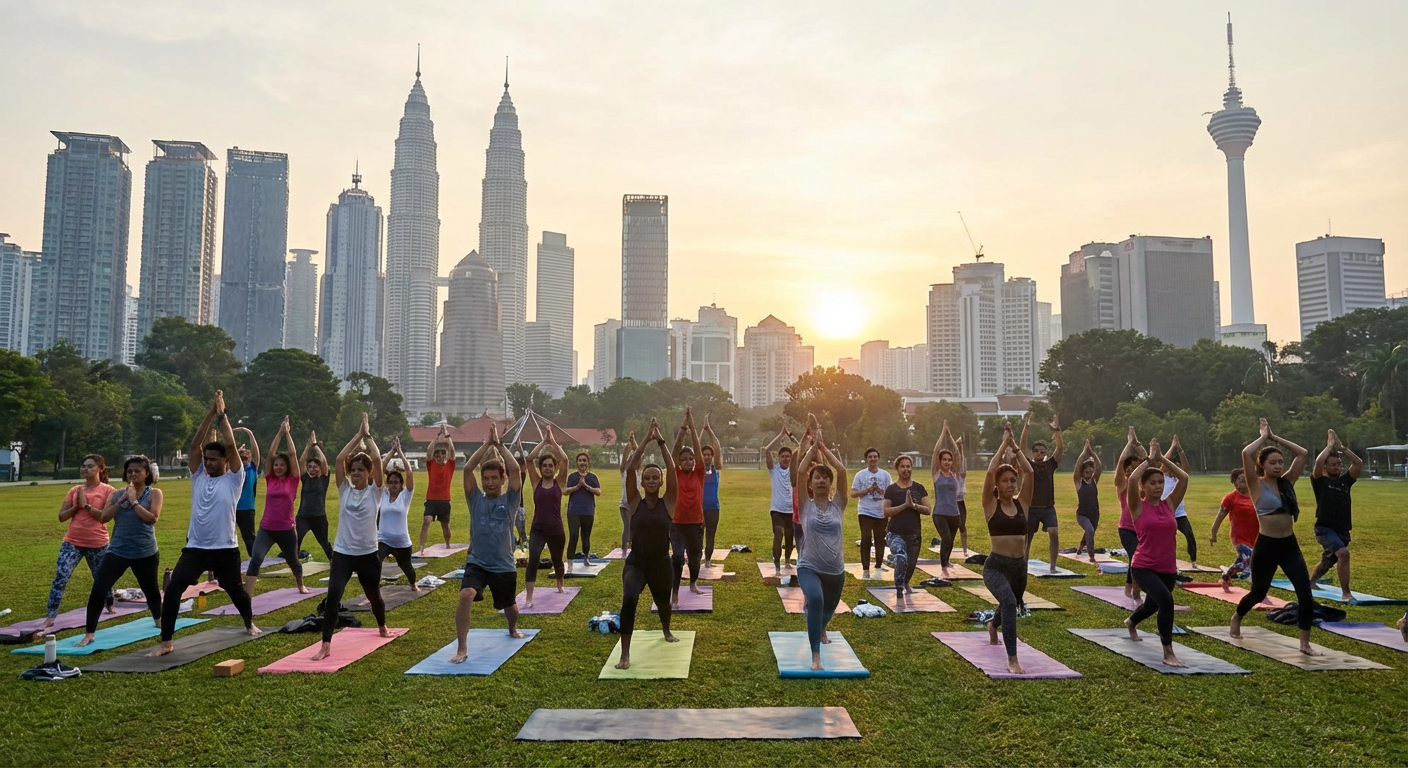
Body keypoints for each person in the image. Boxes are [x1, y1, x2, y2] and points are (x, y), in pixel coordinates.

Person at [149, 391, 258, 657]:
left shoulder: (234, 478)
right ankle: (167, 641)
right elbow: (193, 448)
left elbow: (232, 447)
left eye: (213, 460)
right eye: (206, 459)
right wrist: (210, 413)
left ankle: (249, 622)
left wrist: (223, 417)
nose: (207, 463)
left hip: (224, 548)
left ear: (224, 462)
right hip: (196, 547)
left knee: (236, 591)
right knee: (174, 589)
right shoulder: (199, 476)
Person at [1230, 418, 1320, 656]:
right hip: (1266, 546)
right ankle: (1237, 617)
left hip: (1289, 545)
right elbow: (1246, 453)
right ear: (1262, 465)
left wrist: (1275, 437)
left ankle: (1304, 643)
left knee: (1305, 594)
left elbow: (1302, 454)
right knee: (1259, 592)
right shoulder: (1255, 485)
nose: (1279, 466)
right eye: (1273, 462)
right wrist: (1263, 437)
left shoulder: (1287, 483)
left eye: (1281, 462)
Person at [311, 413, 389, 662]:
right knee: (333, 596)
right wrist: (357, 436)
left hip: (367, 555)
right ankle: (325, 644)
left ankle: (382, 626)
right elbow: (339, 458)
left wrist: (368, 436)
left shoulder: (375, 491)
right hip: (343, 554)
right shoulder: (344, 489)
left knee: (374, 595)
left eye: (359, 470)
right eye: (353, 470)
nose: (355, 473)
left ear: (368, 473)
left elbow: (376, 458)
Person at [450, 426, 525, 664]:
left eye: (494, 478)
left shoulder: (510, 499)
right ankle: (462, 647)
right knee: (466, 594)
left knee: (510, 607)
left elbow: (515, 470)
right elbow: (468, 469)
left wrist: (500, 445)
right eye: (486, 479)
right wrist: (486, 445)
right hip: (477, 562)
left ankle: (512, 628)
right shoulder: (475, 499)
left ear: (502, 479)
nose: (490, 483)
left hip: (503, 566)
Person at [74, 456, 164, 646]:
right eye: (129, 471)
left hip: (145, 552)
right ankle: (89, 633)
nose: (132, 474)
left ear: (146, 473)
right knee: (98, 589)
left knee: (151, 590)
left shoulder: (154, 493)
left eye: (137, 471)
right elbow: (104, 518)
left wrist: (134, 502)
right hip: (118, 551)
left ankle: (159, 620)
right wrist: (120, 501)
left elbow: (151, 518)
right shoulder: (116, 494)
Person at [615, 418, 680, 670]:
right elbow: (631, 469)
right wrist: (645, 439)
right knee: (629, 599)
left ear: (660, 482)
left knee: (664, 603)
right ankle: (625, 654)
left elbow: (672, 471)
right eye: (648, 478)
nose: (651, 481)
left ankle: (666, 630)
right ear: (642, 483)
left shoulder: (669, 502)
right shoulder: (634, 502)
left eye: (655, 478)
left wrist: (661, 441)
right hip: (637, 562)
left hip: (662, 563)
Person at [1124, 437, 1191, 667]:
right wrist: (1148, 460)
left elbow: (1184, 478)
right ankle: (1168, 653)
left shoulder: (1169, 504)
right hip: (1143, 565)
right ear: (1144, 487)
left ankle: (1131, 622)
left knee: (1152, 605)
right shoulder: (1138, 506)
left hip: (1167, 567)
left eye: (1160, 482)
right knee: (1166, 601)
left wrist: (1162, 458)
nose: (1158, 486)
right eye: (1152, 483)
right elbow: (1132, 480)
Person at [794, 414, 849, 671]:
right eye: (817, 477)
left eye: (825, 477)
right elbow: (801, 469)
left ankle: (822, 626)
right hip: (809, 566)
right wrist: (812, 449)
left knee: (828, 612)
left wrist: (824, 448)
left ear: (830, 484)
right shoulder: (805, 505)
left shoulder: (839, 504)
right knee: (815, 600)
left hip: (836, 571)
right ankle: (816, 655)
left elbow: (842, 470)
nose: (821, 479)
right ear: (811, 483)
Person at [41, 454, 117, 635]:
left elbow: (105, 516)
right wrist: (77, 505)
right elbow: (61, 517)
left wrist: (86, 505)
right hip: (72, 542)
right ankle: (51, 615)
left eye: (90, 466)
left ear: (100, 469)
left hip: (98, 543)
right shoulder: (75, 490)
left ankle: (110, 602)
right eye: (83, 466)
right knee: (61, 575)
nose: (85, 469)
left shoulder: (109, 491)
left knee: (101, 579)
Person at [982, 423, 1035, 675]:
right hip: (995, 566)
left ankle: (993, 625)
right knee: (1008, 600)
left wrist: (1015, 446)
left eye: (1013, 480)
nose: (1011, 484)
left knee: (1010, 604)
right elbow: (992, 469)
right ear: (997, 484)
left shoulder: (1023, 503)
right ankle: (1012, 658)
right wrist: (1003, 444)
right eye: (1005, 481)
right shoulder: (990, 505)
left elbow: (1030, 472)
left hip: (1019, 567)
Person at [243, 417, 308, 597]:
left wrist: (288, 434)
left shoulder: (293, 480)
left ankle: (300, 585)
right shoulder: (270, 478)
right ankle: (246, 595)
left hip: (286, 529)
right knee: (256, 558)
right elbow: (271, 454)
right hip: (267, 528)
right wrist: (279, 433)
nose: (278, 467)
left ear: (287, 467)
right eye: (276, 465)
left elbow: (293, 455)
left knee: (293, 560)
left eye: (281, 465)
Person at [1308, 429, 1362, 601]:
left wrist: (1341, 447)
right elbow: (1317, 464)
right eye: (1333, 464)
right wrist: (1329, 446)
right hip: (1324, 528)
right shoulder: (1320, 482)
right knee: (1343, 554)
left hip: (1342, 530)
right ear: (1325, 467)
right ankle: (1346, 593)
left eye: (1339, 464)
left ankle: (1311, 582)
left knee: (1328, 560)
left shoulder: (1345, 481)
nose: (1338, 467)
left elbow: (1358, 463)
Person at [523, 417, 569, 608]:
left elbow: (565, 459)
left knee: (557, 560)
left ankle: (560, 585)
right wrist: (544, 441)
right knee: (533, 559)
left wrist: (553, 442)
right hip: (538, 528)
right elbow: (529, 459)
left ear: (554, 468)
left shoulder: (559, 482)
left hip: (556, 528)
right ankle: (529, 597)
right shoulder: (536, 481)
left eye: (551, 465)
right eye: (545, 466)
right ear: (541, 469)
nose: (548, 468)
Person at [670, 408, 708, 608]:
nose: (687, 461)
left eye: (690, 459)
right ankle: (674, 592)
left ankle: (693, 583)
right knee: (677, 558)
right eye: (684, 459)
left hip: (695, 524)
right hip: (677, 524)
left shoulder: (699, 473)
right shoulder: (675, 473)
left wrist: (693, 426)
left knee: (695, 558)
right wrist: (683, 428)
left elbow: (697, 446)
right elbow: (675, 450)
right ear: (679, 461)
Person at [1019, 414, 1063, 573]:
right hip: (1031, 508)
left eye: (1042, 451)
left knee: (1054, 532)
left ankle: (1052, 566)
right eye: (1036, 451)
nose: (1039, 453)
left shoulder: (1050, 464)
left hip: (1048, 508)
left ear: (1045, 453)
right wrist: (1026, 426)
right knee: (1027, 538)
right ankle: (1023, 563)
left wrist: (1056, 430)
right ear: (1033, 453)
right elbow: (1021, 447)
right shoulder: (1028, 465)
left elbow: (1060, 449)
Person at [883, 455, 930, 596]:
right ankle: (899, 589)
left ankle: (906, 583)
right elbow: (886, 512)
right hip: (895, 533)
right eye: (902, 466)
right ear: (897, 468)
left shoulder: (919, 488)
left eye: (908, 466)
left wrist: (914, 505)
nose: (906, 469)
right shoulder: (891, 489)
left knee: (910, 564)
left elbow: (928, 510)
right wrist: (904, 505)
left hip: (914, 535)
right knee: (900, 556)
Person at [378, 438, 420, 588]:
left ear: (401, 485)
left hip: (401, 541)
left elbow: (409, 472)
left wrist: (400, 452)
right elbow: (379, 469)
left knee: (406, 567)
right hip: (383, 539)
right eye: (390, 482)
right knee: (375, 562)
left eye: (396, 482)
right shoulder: (382, 494)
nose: (393, 485)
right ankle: (374, 588)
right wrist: (391, 452)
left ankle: (413, 584)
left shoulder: (405, 496)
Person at [1114, 427, 1148, 601]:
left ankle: (1129, 588)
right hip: (1126, 528)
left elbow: (1149, 461)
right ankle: (1135, 593)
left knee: (1136, 558)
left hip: (1142, 527)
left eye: (1137, 468)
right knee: (1135, 556)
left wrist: (1138, 444)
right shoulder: (1122, 485)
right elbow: (1121, 463)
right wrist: (1129, 443)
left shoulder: (1144, 484)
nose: (1133, 471)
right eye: (1130, 468)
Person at [1210, 468, 1258, 590]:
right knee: (1248, 559)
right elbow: (1220, 515)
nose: (1244, 482)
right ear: (1234, 482)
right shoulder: (1231, 498)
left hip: (1256, 536)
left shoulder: (1256, 495)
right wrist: (1213, 533)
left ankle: (1227, 575)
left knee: (1242, 560)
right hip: (1239, 536)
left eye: (1246, 480)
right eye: (1241, 480)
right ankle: (1249, 577)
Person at [850, 446, 892, 579]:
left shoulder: (885, 475)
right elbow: (853, 493)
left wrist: (880, 491)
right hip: (865, 512)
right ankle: (866, 568)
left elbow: (891, 495)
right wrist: (867, 490)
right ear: (866, 459)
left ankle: (878, 565)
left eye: (875, 457)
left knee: (880, 539)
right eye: (870, 457)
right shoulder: (860, 475)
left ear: (878, 459)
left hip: (881, 512)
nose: (873, 459)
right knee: (866, 539)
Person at [763, 425, 798, 576]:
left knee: (790, 537)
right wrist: (780, 434)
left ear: (791, 458)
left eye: (788, 456)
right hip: (777, 509)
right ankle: (777, 566)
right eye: (783, 456)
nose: (785, 458)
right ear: (779, 457)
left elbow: (801, 448)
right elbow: (766, 450)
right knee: (778, 535)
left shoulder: (794, 470)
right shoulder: (774, 469)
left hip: (791, 509)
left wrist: (790, 436)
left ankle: (788, 561)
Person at [930, 421, 963, 574]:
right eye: (944, 460)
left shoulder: (954, 473)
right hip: (940, 513)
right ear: (940, 461)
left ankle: (946, 561)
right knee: (947, 538)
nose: (947, 462)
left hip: (954, 513)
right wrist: (943, 433)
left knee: (950, 541)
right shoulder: (936, 474)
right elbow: (936, 451)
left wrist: (951, 437)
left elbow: (956, 454)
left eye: (949, 460)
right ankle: (943, 564)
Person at [295, 432, 333, 561]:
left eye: (315, 467)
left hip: (319, 516)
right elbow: (301, 461)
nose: (312, 469)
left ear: (320, 468)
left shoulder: (323, 479)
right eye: (309, 467)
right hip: (303, 516)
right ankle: (294, 564)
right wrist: (308, 446)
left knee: (324, 543)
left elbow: (323, 461)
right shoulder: (305, 478)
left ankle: (334, 562)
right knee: (296, 540)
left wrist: (315, 445)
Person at [419, 425, 456, 555]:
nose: (440, 457)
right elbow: (429, 450)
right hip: (431, 500)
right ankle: (422, 547)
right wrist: (437, 438)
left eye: (442, 455)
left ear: (446, 457)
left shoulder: (450, 466)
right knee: (426, 520)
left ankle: (447, 545)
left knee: (445, 524)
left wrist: (447, 436)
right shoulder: (431, 465)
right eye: (438, 455)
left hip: (444, 500)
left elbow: (452, 450)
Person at [1160, 443, 1198, 567]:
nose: (1174, 469)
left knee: (1189, 535)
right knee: (1166, 539)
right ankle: (1165, 559)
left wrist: (1180, 450)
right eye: (1171, 467)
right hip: (1165, 511)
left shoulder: (1179, 480)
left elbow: (1186, 467)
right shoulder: (1162, 478)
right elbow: (1163, 461)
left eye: (1176, 467)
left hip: (1180, 513)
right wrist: (1172, 446)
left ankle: (1193, 561)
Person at [565, 450, 602, 571]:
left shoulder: (592, 477)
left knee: (586, 537)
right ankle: (570, 563)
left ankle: (586, 559)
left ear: (588, 462)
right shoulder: (572, 476)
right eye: (580, 460)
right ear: (577, 463)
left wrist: (587, 487)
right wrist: (576, 487)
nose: (582, 463)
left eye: (584, 460)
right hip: (573, 511)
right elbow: (564, 491)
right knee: (574, 536)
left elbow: (599, 492)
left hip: (588, 511)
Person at [1072, 438, 1103, 563]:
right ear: (1082, 472)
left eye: (1091, 471)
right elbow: (1077, 467)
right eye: (1086, 471)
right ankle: (1091, 556)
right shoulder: (1079, 482)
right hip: (1082, 514)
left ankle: (1080, 547)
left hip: (1095, 513)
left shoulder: (1094, 481)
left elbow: (1099, 467)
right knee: (1089, 530)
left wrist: (1092, 453)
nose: (1089, 473)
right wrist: (1085, 452)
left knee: (1090, 532)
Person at [700, 417, 725, 567]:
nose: (707, 456)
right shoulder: (698, 469)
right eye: (705, 454)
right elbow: (696, 446)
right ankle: (695, 558)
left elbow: (717, 446)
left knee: (711, 535)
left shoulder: (715, 468)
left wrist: (709, 430)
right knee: (698, 535)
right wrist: (702, 431)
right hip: (699, 508)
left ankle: (708, 560)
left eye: (709, 454)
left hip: (713, 508)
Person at [232, 427, 260, 557]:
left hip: (247, 508)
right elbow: (228, 452)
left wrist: (250, 433)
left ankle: (255, 562)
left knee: (249, 537)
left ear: (248, 459)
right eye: (240, 457)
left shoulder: (252, 468)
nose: (242, 460)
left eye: (245, 458)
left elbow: (255, 451)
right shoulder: (233, 470)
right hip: (231, 507)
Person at [618, 431, 638, 554]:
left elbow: (639, 453)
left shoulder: (638, 473)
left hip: (635, 504)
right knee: (627, 526)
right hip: (625, 504)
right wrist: (628, 447)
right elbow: (625, 458)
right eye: (629, 461)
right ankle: (624, 548)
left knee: (635, 526)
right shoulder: (624, 472)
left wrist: (634, 440)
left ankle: (633, 546)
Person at [954, 436, 971, 555]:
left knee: (962, 526)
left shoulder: (961, 473)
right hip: (950, 501)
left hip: (960, 501)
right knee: (950, 528)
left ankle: (965, 550)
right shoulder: (949, 471)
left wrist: (961, 449)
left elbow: (962, 463)